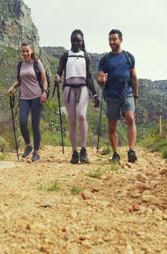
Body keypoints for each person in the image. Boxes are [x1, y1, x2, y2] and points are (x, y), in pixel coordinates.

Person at [54, 30, 99, 164]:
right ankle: (74, 152)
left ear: (82, 41)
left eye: (78, 40)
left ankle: (83, 150)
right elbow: (59, 72)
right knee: (72, 121)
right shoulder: (65, 56)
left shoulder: (86, 56)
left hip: (82, 88)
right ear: (70, 40)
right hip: (68, 88)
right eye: (74, 40)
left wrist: (95, 94)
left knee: (82, 116)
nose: (76, 43)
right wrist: (57, 77)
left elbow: (89, 77)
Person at [97, 29, 139, 163]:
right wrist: (101, 80)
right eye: (110, 39)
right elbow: (99, 78)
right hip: (111, 95)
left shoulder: (128, 56)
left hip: (127, 93)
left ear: (121, 40)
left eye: (114, 39)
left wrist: (136, 96)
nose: (111, 42)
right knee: (112, 127)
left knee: (130, 119)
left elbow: (134, 77)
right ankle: (115, 153)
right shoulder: (105, 59)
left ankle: (131, 150)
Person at [7, 43, 48, 162]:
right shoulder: (20, 64)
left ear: (31, 51)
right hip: (24, 97)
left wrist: (44, 92)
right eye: (23, 51)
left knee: (35, 125)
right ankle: (28, 146)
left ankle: (36, 153)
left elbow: (44, 80)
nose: (25, 53)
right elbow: (19, 81)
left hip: (37, 97)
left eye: (27, 51)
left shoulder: (37, 63)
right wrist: (12, 87)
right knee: (22, 122)